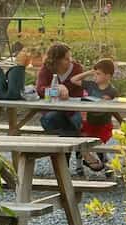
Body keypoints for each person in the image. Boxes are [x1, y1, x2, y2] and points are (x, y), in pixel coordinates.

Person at [37, 42, 102, 173]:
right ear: (56, 60)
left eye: (70, 57)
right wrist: (57, 90)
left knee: (70, 124)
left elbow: (77, 93)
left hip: (72, 112)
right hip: (52, 115)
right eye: (66, 58)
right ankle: (84, 152)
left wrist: (64, 92)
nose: (70, 60)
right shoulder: (47, 69)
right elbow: (40, 91)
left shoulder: (76, 68)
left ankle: (62, 169)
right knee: (59, 118)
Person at [71, 58, 118, 176]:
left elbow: (106, 109)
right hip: (89, 123)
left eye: (98, 74)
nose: (95, 76)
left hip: (103, 124)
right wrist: (89, 72)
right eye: (95, 74)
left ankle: (105, 164)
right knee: (81, 139)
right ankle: (79, 165)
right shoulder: (91, 85)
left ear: (108, 76)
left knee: (97, 143)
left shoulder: (111, 91)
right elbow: (73, 80)